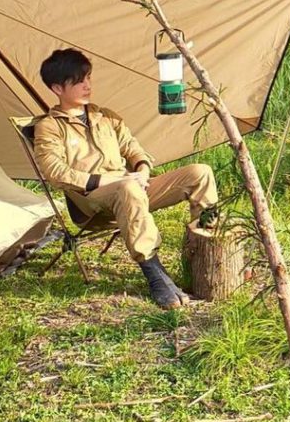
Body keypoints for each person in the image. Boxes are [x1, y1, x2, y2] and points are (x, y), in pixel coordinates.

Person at [33, 48, 219, 309]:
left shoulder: (105, 116)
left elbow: (133, 149)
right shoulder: (49, 127)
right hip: (92, 200)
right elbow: (55, 173)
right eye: (78, 81)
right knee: (127, 188)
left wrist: (142, 170)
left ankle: (206, 251)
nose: (87, 85)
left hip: (131, 187)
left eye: (88, 78)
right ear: (57, 89)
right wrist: (112, 181)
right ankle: (154, 273)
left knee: (200, 173)